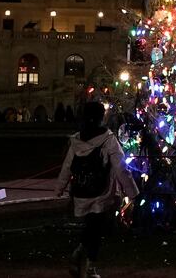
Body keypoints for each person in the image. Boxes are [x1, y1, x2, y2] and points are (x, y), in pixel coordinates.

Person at [55, 101, 136, 278]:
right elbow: (121, 167)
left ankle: (81, 259)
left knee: (91, 226)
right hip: (101, 192)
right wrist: (132, 191)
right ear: (102, 116)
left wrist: (60, 187)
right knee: (96, 227)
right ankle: (87, 263)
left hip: (81, 190)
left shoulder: (76, 139)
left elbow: (68, 166)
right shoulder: (108, 139)